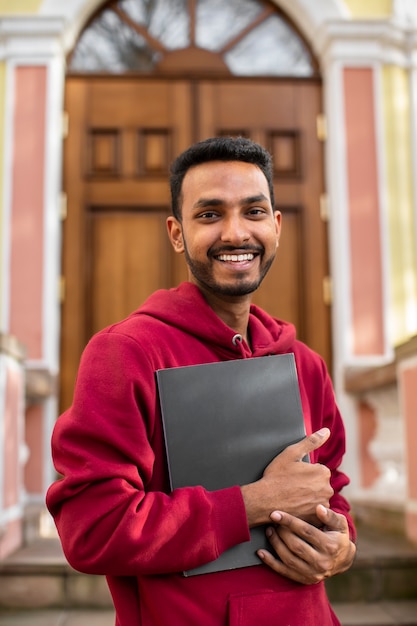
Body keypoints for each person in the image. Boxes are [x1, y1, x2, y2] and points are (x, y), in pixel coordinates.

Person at [46, 136, 356, 626]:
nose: (236, 233)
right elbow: (92, 528)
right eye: (210, 214)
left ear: (276, 226)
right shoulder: (125, 353)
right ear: (176, 232)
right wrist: (253, 503)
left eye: (253, 211)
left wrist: (341, 546)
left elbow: (330, 488)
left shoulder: (304, 363)